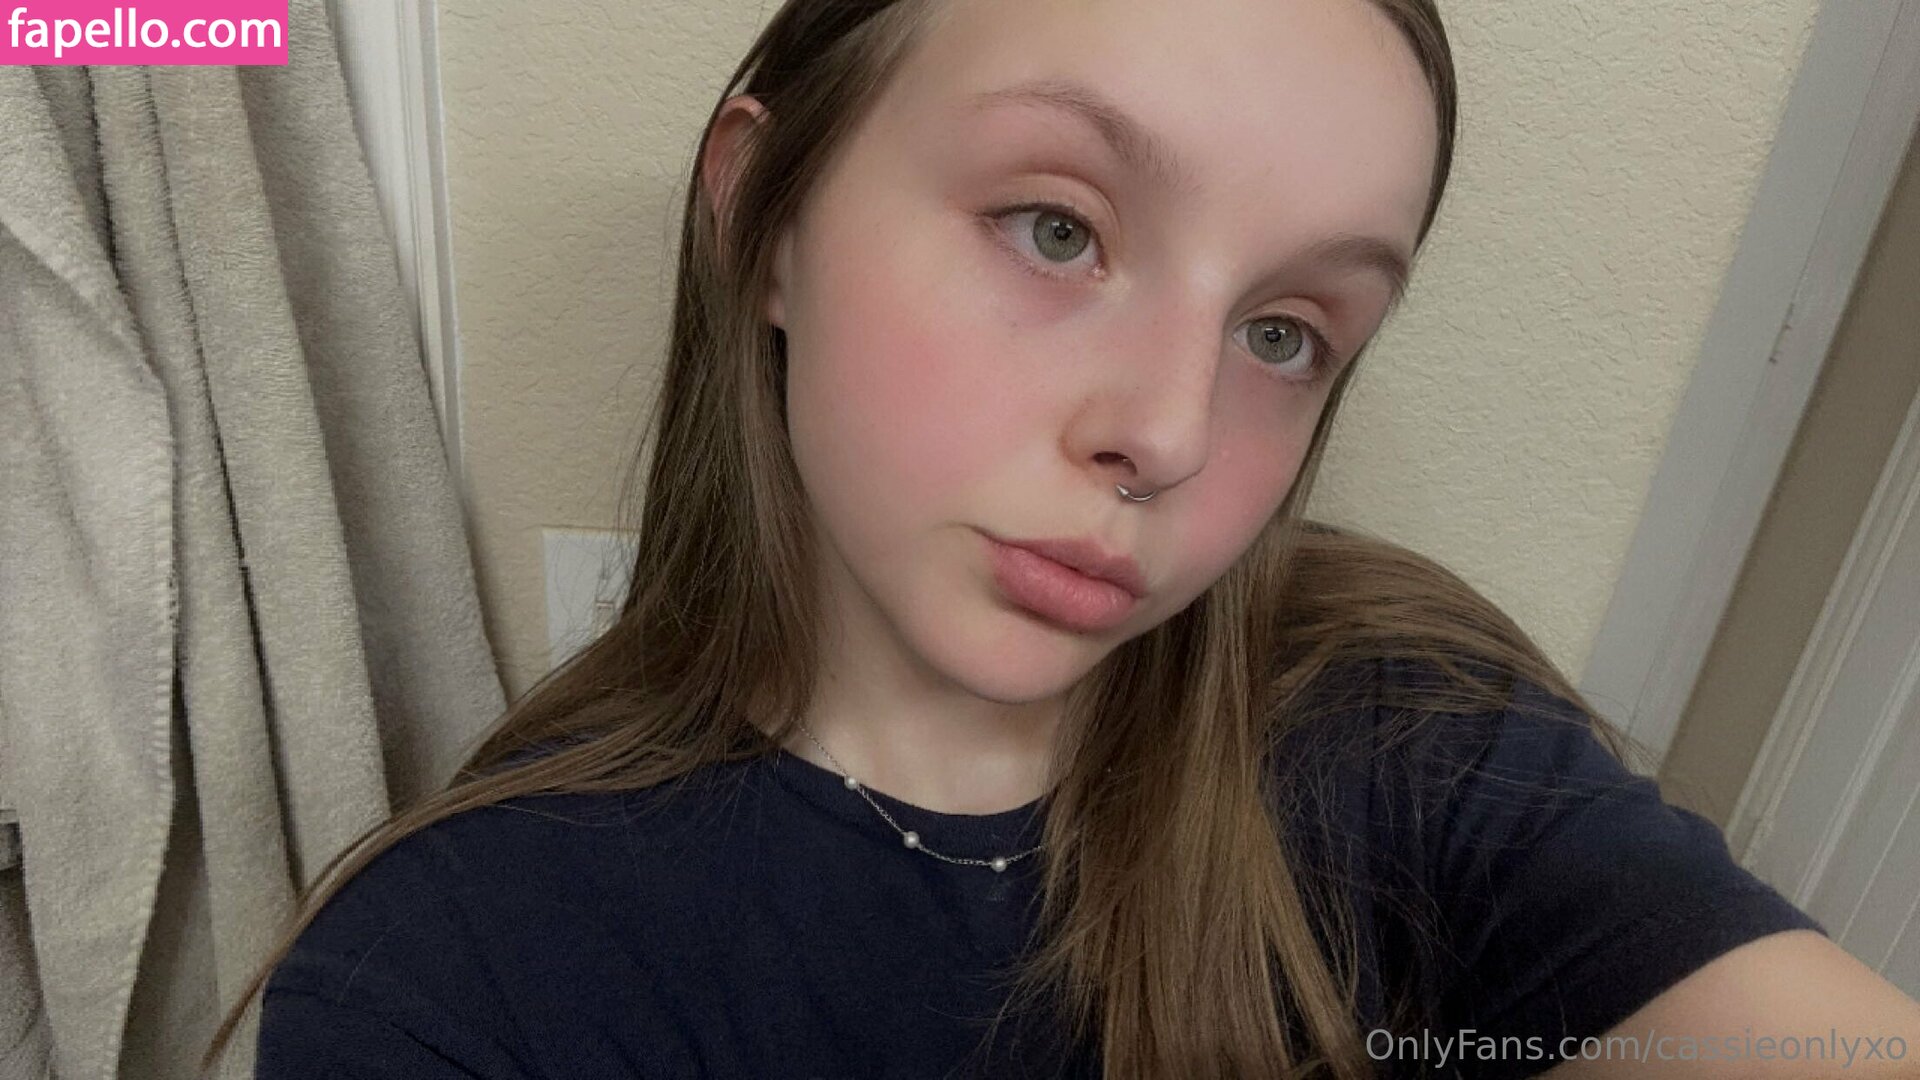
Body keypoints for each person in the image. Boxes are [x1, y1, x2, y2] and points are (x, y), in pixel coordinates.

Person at [209, 0, 1920, 1076]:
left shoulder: (1397, 719)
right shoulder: (450, 975)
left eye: (1283, 333)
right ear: (762, 218)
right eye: (1056, 227)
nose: (1169, 432)